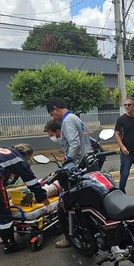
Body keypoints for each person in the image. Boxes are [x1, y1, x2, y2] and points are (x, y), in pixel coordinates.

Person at [46, 97, 91, 248]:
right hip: (85, 164)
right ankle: (86, 231)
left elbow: (75, 144)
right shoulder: (75, 118)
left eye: (52, 114)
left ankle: (71, 236)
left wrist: (68, 163)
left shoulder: (68, 121)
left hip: (77, 167)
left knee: (66, 204)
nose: (54, 117)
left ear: (55, 109)